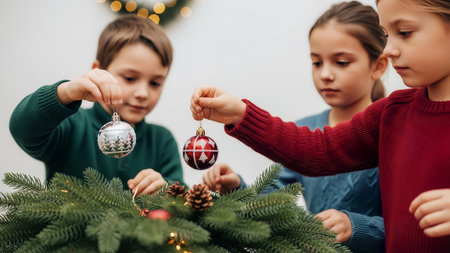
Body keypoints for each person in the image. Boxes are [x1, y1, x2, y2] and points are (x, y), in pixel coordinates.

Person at [190, 0, 450, 251]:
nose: (389, 49)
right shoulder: (392, 114)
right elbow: (318, 149)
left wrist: (356, 226)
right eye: (386, 35)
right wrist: (241, 114)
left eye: (405, 32)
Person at [9, 15, 184, 195]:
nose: (142, 93)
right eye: (130, 78)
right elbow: (22, 128)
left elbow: (182, 197)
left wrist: (164, 187)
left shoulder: (162, 141)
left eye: (155, 83)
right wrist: (67, 92)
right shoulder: (71, 126)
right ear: (98, 71)